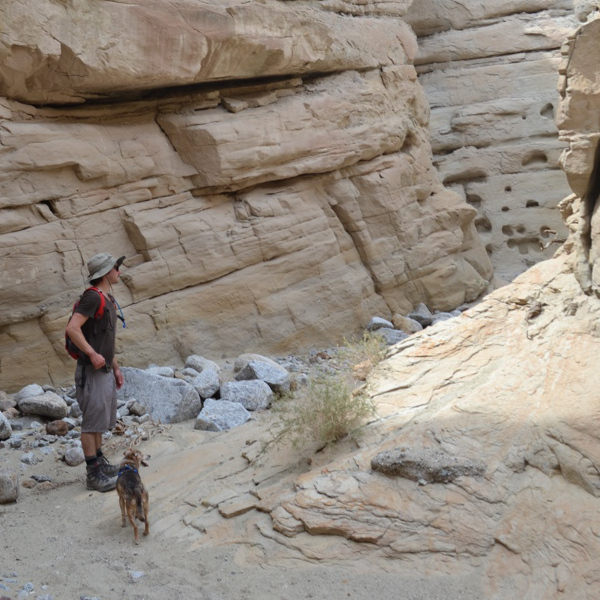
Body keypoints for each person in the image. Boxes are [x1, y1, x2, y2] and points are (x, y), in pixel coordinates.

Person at [65, 252, 126, 492]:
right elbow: (72, 328)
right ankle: (93, 474)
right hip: (91, 370)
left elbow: (105, 340)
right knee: (92, 422)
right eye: (116, 268)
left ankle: (99, 462)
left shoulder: (106, 298)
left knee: (100, 419)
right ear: (105, 273)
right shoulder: (92, 298)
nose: (119, 271)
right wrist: (91, 354)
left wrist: (116, 368)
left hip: (104, 370)